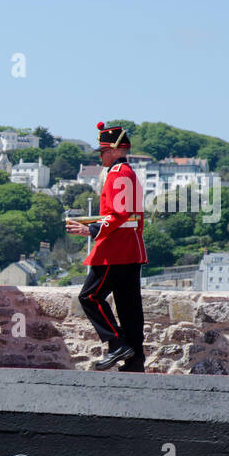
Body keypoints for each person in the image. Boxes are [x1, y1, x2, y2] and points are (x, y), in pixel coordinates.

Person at [65, 122, 147, 371]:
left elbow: (119, 214)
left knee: (89, 296)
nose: (100, 156)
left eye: (102, 151)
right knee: (128, 307)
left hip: (116, 249)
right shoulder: (126, 172)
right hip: (127, 248)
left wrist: (90, 229)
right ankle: (135, 360)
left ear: (112, 149)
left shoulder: (119, 173)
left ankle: (116, 343)